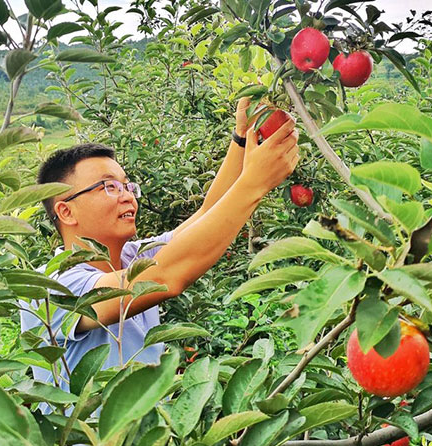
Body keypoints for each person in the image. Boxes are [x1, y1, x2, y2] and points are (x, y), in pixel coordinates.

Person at [19, 98, 299, 393]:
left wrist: (241, 138)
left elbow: (207, 214)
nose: (127, 196)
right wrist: (255, 182)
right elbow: (165, 277)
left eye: (127, 186)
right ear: (66, 211)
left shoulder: (132, 257)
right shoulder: (51, 288)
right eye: (109, 186)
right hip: (90, 440)